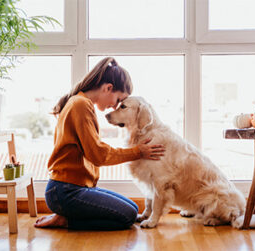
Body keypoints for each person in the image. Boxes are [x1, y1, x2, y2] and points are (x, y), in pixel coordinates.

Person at [34, 57, 165, 230]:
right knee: (127, 217)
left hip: (74, 188)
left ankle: (66, 214)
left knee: (133, 209)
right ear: (108, 88)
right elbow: (98, 155)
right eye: (118, 100)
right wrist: (138, 152)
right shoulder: (80, 105)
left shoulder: (80, 102)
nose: (114, 107)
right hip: (65, 191)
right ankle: (66, 220)